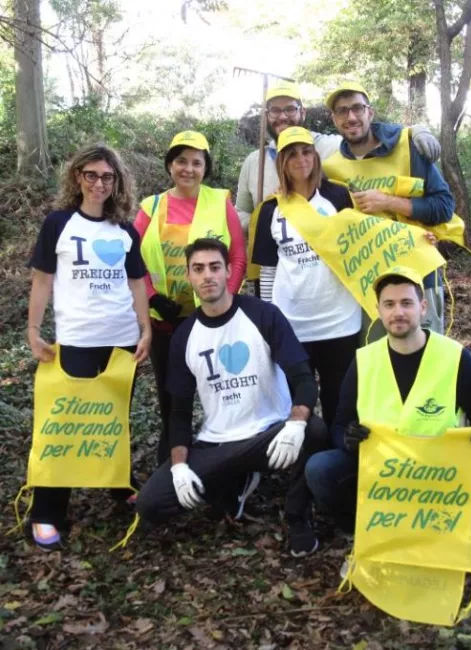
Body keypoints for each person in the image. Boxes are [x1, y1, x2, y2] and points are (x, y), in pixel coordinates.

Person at [136, 238, 328, 556]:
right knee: (151, 504)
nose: (207, 276)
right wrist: (179, 467)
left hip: (269, 435)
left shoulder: (264, 315)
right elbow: (179, 414)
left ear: (228, 271)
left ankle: (298, 518)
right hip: (218, 444)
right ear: (189, 276)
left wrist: (295, 423)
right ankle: (233, 482)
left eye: (214, 267)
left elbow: (304, 379)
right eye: (198, 269)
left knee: (315, 431)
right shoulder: (184, 336)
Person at [304, 266, 471, 566]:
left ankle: (424, 533)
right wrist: (348, 440)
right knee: (320, 468)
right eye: (389, 304)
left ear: (423, 308)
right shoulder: (364, 361)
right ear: (378, 311)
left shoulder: (455, 358)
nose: (398, 312)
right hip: (383, 477)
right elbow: (341, 423)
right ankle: (362, 528)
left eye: (406, 303)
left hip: (441, 478)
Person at [27, 143, 152, 551]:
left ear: (118, 183)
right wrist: (33, 330)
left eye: (107, 177)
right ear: (77, 177)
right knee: (64, 424)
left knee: (114, 417)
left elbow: (136, 284)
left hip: (120, 341)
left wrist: (145, 328)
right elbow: (43, 280)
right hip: (76, 340)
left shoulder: (124, 230)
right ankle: (47, 510)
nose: (99, 183)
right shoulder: (58, 223)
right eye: (91, 175)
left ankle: (117, 483)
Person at [134, 131, 246, 464]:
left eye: (197, 162)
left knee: (220, 389)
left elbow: (237, 257)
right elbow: (131, 258)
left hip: (211, 318)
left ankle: (222, 458)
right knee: (172, 394)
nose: (188, 169)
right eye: (181, 161)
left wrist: (224, 300)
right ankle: (170, 458)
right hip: (166, 320)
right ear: (170, 165)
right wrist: (152, 298)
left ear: (205, 167)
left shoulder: (219, 201)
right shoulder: (151, 207)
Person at [322, 82, 455, 338]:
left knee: (425, 358)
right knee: (377, 362)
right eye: (342, 111)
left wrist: (388, 202)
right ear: (334, 120)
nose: (351, 117)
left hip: (419, 277)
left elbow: (444, 206)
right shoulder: (331, 168)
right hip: (367, 284)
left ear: (370, 113)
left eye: (357, 108)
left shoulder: (408, 148)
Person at [251, 126, 360, 429]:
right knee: (296, 401)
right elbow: (268, 270)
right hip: (292, 323)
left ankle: (338, 462)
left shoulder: (338, 196)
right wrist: (269, 322)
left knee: (341, 400)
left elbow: (362, 247)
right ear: (282, 162)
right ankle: (301, 464)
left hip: (341, 320)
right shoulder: (270, 209)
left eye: (307, 151)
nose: (301, 159)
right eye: (292, 154)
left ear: (316, 155)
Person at [235, 80, 441, 233]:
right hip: (270, 263)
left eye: (290, 109)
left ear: (303, 113)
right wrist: (263, 222)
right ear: (266, 116)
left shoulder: (331, 148)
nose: (282, 116)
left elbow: (364, 134)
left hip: (325, 260)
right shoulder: (254, 162)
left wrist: (414, 130)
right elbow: (240, 212)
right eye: (275, 110)